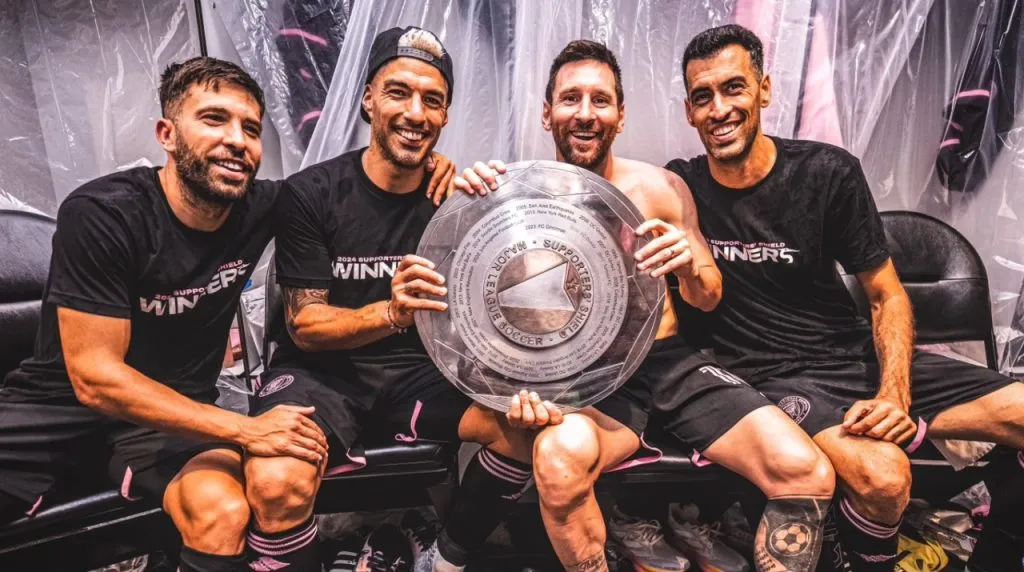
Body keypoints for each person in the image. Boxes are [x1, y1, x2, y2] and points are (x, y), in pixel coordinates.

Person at [456, 40, 836, 572]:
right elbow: (480, 310)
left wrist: (687, 263)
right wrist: (463, 194)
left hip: (671, 362)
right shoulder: (513, 199)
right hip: (590, 377)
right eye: (570, 99)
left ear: (620, 114)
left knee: (805, 472)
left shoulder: (661, 186)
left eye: (600, 100)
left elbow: (709, 292)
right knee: (558, 462)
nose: (585, 114)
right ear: (547, 114)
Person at [667, 24, 1024, 571]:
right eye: (702, 96)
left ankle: (998, 551)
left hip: (854, 358)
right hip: (772, 377)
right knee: (884, 476)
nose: (719, 109)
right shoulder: (679, 187)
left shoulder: (827, 173)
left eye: (734, 88)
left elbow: (886, 296)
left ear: (764, 89)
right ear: (689, 112)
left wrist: (894, 396)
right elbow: (603, 186)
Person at [242, 26, 546, 572]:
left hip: (417, 372)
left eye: (433, 100)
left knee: (528, 429)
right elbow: (305, 324)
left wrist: (491, 200)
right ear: (368, 100)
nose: (415, 112)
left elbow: (507, 291)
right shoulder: (310, 193)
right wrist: (390, 311)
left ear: (446, 116)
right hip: (322, 374)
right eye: (398, 92)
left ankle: (443, 560)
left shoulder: (453, 201)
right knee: (273, 478)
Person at [0, 57, 316, 572]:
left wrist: (441, 174)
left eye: (251, 128)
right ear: (167, 134)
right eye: (214, 119)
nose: (238, 139)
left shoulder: (263, 206)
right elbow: (96, 380)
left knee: (223, 510)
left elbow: (351, 189)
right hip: (55, 408)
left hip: (171, 412)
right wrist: (246, 429)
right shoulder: (105, 214)